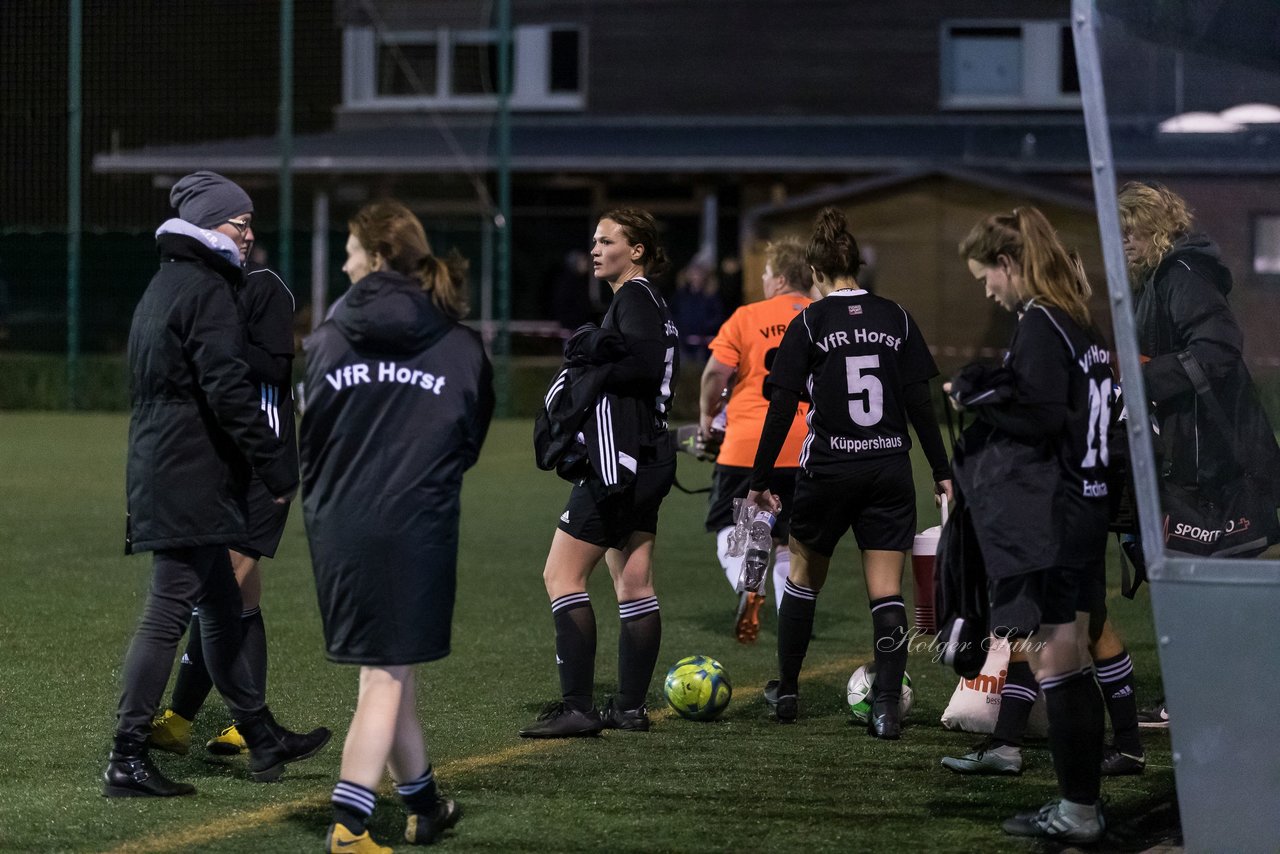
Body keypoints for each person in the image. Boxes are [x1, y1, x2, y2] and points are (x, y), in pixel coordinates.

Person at [105, 171, 330, 798]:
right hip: (189, 473)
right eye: (238, 222)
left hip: (166, 464)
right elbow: (228, 391)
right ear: (208, 227)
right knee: (167, 610)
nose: (247, 232)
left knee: (223, 605)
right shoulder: (205, 288)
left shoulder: (165, 282)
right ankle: (126, 755)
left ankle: (258, 732)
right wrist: (275, 464)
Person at [301, 200, 494, 852]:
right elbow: (469, 440)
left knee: (390, 670)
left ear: (378, 257)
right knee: (386, 675)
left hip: (340, 525)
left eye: (352, 249)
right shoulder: (460, 344)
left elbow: (313, 436)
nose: (346, 261)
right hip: (417, 523)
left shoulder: (327, 338)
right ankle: (350, 827)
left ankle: (424, 804)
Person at [746, 207, 952, 739]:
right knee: (886, 591)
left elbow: (781, 406)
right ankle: (886, 707)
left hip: (830, 470)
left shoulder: (810, 321)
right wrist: (942, 470)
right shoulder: (896, 316)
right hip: (888, 466)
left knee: (803, 577)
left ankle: (787, 692)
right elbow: (919, 403)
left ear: (814, 273)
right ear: (857, 265)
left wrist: (760, 478)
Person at [947, 207, 1112, 842]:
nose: (986, 288)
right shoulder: (1077, 317)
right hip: (1087, 499)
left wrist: (978, 399)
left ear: (1009, 265)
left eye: (986, 275)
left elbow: (1043, 417)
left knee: (1057, 662)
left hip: (1061, 508)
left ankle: (1079, 810)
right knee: (1064, 657)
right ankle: (1080, 806)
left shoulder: (1042, 319)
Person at [1118, 181, 1280, 727]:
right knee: (1191, 583)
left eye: (1131, 230)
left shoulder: (1181, 276)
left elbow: (1217, 349)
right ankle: (1208, 693)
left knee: (1195, 585)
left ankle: (1200, 697)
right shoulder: (1162, 280)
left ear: (1157, 227)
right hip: (1194, 456)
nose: (1122, 242)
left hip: (1213, 461)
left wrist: (1144, 379)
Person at [520, 208, 680, 738]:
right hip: (651, 453)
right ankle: (630, 708)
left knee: (560, 575)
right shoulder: (647, 299)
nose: (594, 248)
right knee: (634, 582)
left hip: (623, 458)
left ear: (636, 251)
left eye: (606, 240)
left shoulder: (634, 297)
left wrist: (592, 346)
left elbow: (641, 364)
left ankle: (578, 707)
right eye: (593, 240)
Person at [148, 257, 299, 758]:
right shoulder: (197, 290)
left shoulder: (263, 286)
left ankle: (229, 722)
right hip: (220, 459)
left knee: (220, 587)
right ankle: (208, 722)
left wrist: (216, 342)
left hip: (263, 461)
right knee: (238, 596)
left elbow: (277, 366)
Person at [698, 238, 813, 644]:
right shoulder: (821, 318)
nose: (763, 280)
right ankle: (791, 617)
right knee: (789, 539)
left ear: (780, 278)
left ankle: (750, 583)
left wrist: (707, 418)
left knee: (732, 528)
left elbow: (715, 374)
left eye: (765, 273)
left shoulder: (748, 317)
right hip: (808, 447)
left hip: (750, 444)